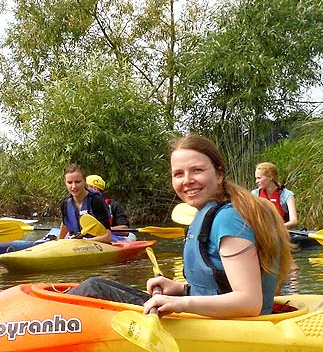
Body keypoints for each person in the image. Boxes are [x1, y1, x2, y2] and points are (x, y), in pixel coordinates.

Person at [69, 135, 294, 318]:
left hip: (224, 330)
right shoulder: (213, 213)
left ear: (219, 174)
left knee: (93, 290)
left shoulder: (229, 219)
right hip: (209, 320)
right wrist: (178, 288)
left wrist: (180, 303)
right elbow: (218, 287)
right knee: (96, 284)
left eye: (197, 170)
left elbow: (249, 302)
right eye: (178, 174)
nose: (187, 180)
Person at [49, 164, 112, 242]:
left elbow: (108, 237)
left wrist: (82, 242)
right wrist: (59, 242)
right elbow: (65, 225)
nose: (74, 186)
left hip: (96, 243)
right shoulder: (65, 203)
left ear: (84, 181)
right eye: (69, 182)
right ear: (65, 182)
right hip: (75, 242)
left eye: (77, 182)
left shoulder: (96, 201)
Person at [86, 174, 136, 241]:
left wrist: (107, 229)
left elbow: (125, 229)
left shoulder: (113, 205)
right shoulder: (81, 205)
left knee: (132, 236)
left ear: (95, 189)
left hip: (111, 237)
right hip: (88, 238)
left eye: (86, 187)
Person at [251, 162, 299, 230]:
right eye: (256, 178)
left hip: (282, 233)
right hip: (262, 233)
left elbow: (294, 221)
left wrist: (275, 229)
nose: (256, 181)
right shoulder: (255, 194)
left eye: (259, 178)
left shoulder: (287, 195)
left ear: (270, 177)